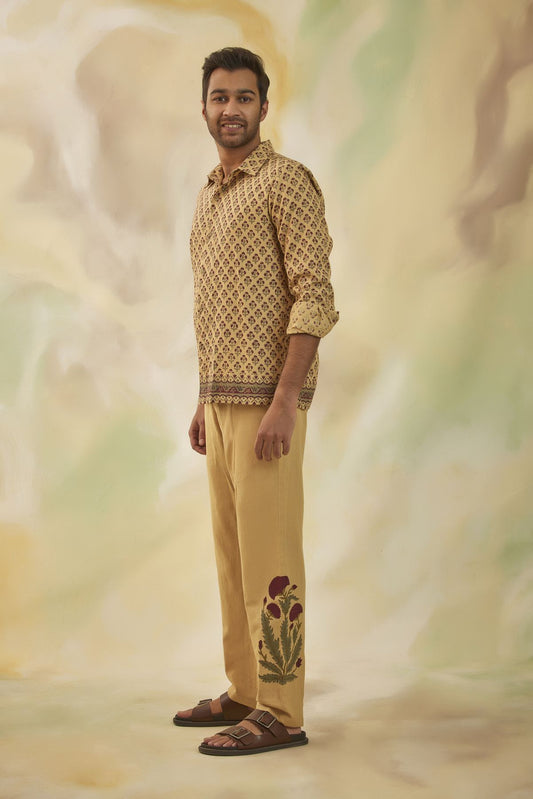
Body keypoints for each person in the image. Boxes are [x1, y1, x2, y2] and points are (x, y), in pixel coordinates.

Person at [173, 46, 338, 756]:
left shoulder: (286, 182)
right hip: (218, 405)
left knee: (270, 562)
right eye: (220, 97)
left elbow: (314, 295)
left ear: (264, 107)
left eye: (244, 97)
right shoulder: (211, 195)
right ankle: (244, 689)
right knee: (232, 558)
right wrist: (202, 397)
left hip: (268, 410)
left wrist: (283, 401)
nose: (231, 109)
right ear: (204, 107)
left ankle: (282, 711)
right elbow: (216, 308)